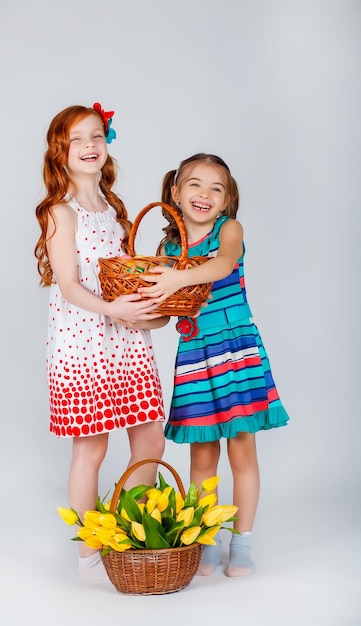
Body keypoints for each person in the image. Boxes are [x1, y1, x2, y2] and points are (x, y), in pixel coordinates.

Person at [138, 153, 290, 577]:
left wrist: (175, 277)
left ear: (226, 202)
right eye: (194, 184)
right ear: (175, 193)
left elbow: (223, 265)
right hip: (195, 356)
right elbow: (165, 311)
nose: (203, 194)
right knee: (203, 457)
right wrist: (132, 312)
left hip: (236, 350)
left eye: (215, 188)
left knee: (241, 451)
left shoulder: (230, 230)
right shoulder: (168, 250)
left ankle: (241, 543)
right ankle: (206, 537)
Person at [34, 103, 167, 580]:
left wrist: (150, 312)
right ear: (60, 152)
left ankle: (130, 528)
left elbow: (121, 278)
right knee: (90, 448)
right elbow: (69, 286)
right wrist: (116, 311)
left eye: (96, 136)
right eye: (77, 140)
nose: (89, 146)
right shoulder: (59, 212)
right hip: (84, 340)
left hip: (125, 337)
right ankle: (91, 552)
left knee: (151, 437)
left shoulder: (112, 208)